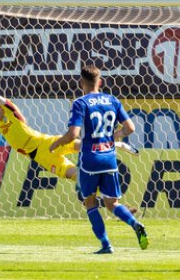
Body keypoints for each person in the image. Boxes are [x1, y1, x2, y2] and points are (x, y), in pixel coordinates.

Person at [0, 71, 138, 185]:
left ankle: (119, 145)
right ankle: (102, 191)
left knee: (84, 146)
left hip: (46, 142)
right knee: (75, 176)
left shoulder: (12, 112)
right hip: (40, 157)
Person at [48, 65, 148, 254]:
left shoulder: (80, 103)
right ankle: (135, 224)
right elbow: (130, 128)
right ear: (99, 82)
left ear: (81, 83)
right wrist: (112, 137)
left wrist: (57, 144)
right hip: (109, 158)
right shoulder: (112, 100)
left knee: (90, 202)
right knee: (112, 203)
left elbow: (73, 134)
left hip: (89, 160)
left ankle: (106, 245)